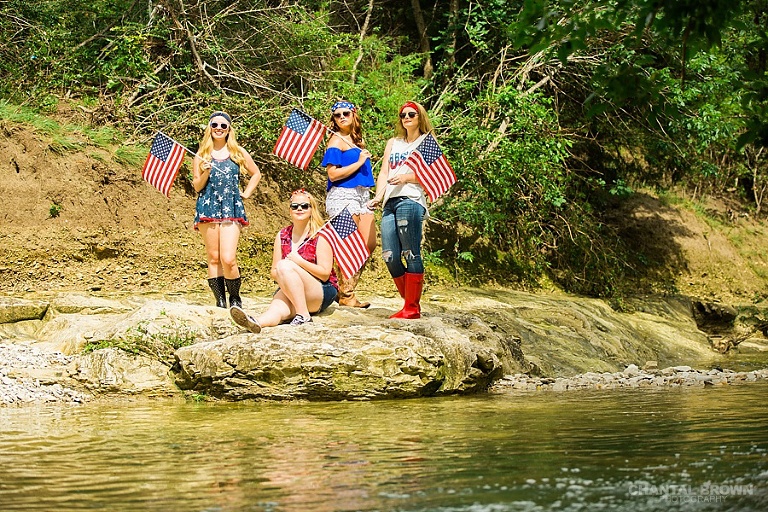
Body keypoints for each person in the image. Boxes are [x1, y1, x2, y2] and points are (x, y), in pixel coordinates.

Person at [229, 189, 338, 332]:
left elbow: (324, 274)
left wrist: (298, 262)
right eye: (295, 206)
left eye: (304, 206)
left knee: (285, 265)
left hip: (321, 290)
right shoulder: (282, 235)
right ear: (290, 210)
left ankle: (304, 315)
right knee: (278, 308)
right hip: (293, 288)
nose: (299, 209)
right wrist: (287, 275)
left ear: (312, 209)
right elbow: (274, 271)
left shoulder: (320, 235)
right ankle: (256, 322)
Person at [367, 101, 433, 319]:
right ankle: (410, 301)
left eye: (411, 114)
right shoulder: (393, 143)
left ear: (420, 117)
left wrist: (407, 177)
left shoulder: (427, 142)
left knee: (410, 252)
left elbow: (432, 174)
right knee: (390, 255)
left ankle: (411, 308)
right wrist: (379, 196)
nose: (406, 118)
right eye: (403, 115)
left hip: (411, 200)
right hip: (390, 201)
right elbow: (384, 172)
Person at [193, 111, 261, 309]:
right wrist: (205, 171)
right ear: (209, 128)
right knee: (214, 257)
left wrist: (246, 193)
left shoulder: (237, 152)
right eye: (215, 125)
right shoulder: (201, 154)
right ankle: (220, 301)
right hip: (208, 207)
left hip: (231, 208)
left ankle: (235, 298)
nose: (219, 129)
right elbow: (197, 186)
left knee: (228, 258)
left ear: (229, 129)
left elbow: (256, 173)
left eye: (223, 126)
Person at [319, 100, 376, 308]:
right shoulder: (336, 140)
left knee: (369, 243)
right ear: (333, 119)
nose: (342, 117)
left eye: (346, 113)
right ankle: (346, 294)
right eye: (337, 115)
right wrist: (359, 162)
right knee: (347, 245)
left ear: (354, 115)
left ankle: (344, 289)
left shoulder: (357, 140)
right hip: (342, 196)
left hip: (362, 196)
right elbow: (333, 174)